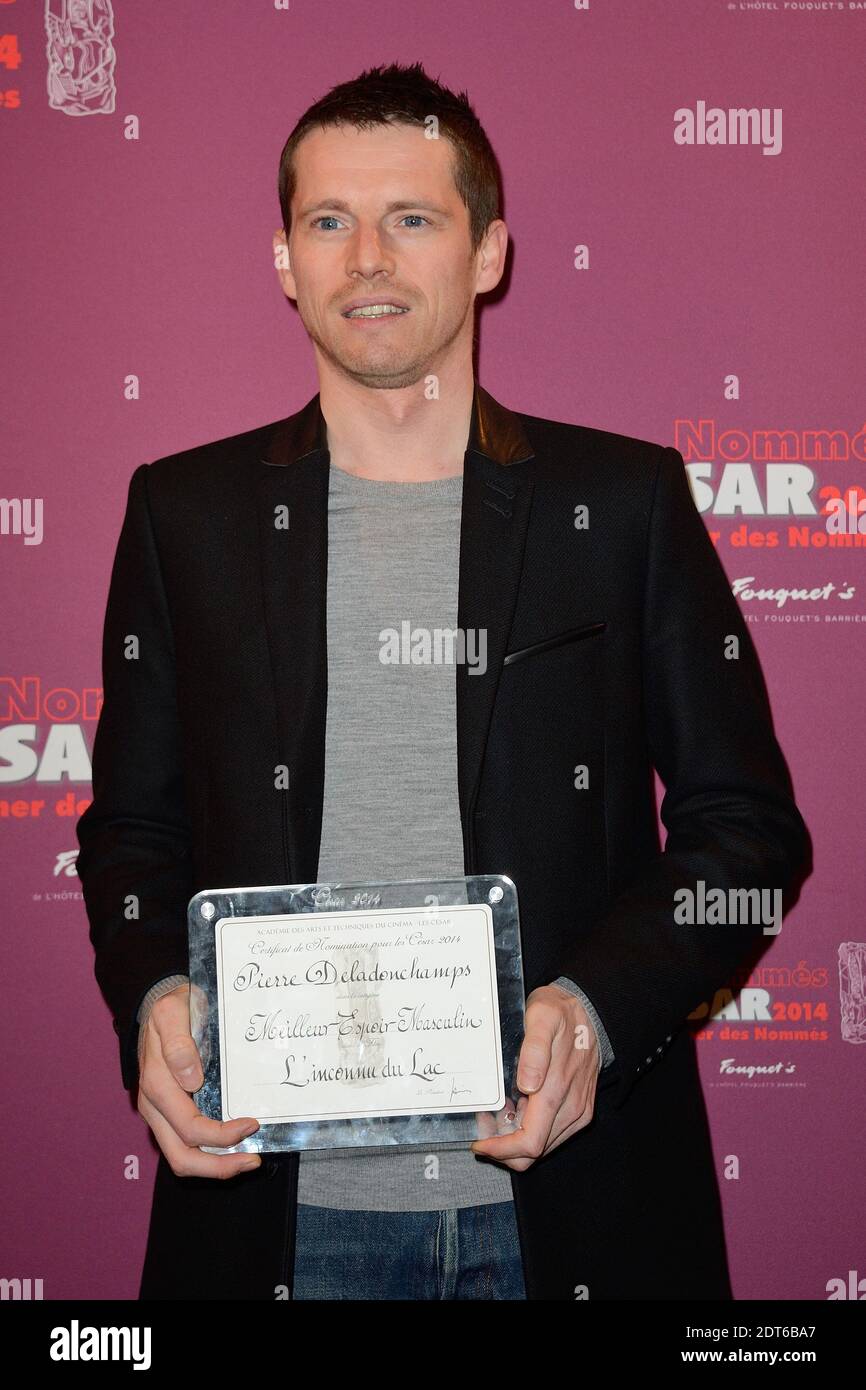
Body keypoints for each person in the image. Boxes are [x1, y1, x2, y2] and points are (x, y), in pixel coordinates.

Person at [76, 61, 810, 1301]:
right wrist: (155, 986)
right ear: (284, 260)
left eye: (409, 218)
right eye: (328, 221)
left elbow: (743, 832)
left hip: (577, 1209)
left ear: (487, 254)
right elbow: (133, 830)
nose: (366, 255)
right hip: (273, 1215)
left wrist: (592, 1005)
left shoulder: (620, 504)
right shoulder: (180, 514)